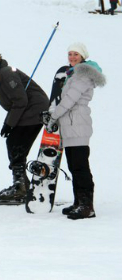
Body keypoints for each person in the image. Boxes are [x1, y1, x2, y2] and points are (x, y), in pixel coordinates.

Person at [0, 48, 49, 201]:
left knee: (15, 143)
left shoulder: (5, 73)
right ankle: (21, 184)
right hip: (29, 112)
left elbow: (21, 100)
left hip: (34, 110)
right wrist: (9, 124)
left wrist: (9, 124)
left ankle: (20, 186)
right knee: (14, 143)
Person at [45, 43, 105, 219]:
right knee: (74, 166)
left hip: (77, 124)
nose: (72, 57)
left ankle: (87, 206)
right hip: (71, 126)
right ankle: (79, 202)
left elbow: (70, 100)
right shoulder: (74, 74)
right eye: (70, 54)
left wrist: (54, 116)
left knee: (80, 167)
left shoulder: (82, 75)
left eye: (76, 54)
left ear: (82, 56)